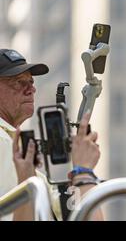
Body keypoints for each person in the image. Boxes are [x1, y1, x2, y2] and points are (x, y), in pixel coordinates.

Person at [0, 49, 103, 221]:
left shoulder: (18, 150)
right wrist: (84, 172)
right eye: (18, 82)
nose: (31, 89)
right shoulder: (3, 143)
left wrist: (79, 180)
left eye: (31, 82)